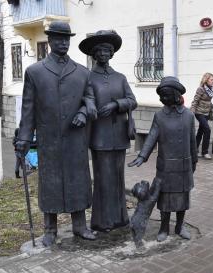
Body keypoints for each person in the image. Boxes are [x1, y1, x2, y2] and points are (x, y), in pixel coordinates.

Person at [15, 21, 97, 247]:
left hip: (75, 139)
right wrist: (23, 139)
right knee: (50, 183)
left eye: (66, 38)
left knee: (78, 181)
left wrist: (83, 111)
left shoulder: (82, 72)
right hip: (48, 139)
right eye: (58, 38)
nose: (63, 42)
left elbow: (91, 100)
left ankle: (80, 226)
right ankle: (50, 229)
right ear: (49, 40)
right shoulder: (35, 72)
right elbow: (29, 109)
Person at [79, 30, 138, 232]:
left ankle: (121, 218)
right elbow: (84, 100)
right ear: (94, 55)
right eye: (100, 51)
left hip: (119, 134)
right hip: (99, 136)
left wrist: (116, 105)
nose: (104, 54)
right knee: (103, 178)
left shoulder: (120, 78)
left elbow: (132, 101)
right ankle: (102, 221)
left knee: (118, 177)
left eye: (107, 51)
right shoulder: (88, 77)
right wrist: (89, 106)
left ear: (112, 54)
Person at [129, 76, 197, 242]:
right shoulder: (159, 116)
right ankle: (164, 227)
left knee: (182, 199)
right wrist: (142, 156)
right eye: (162, 96)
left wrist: (194, 160)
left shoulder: (188, 116)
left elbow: (192, 140)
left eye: (167, 95)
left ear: (175, 94)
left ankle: (180, 226)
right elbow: (152, 136)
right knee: (165, 200)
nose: (163, 99)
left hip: (183, 165)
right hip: (166, 166)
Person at [190, 72, 213, 160]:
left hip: (207, 113)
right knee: (207, 130)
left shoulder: (210, 89)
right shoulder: (201, 89)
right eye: (211, 80)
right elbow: (195, 100)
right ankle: (205, 152)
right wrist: (191, 112)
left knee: (201, 131)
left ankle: (194, 150)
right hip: (199, 112)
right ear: (206, 79)